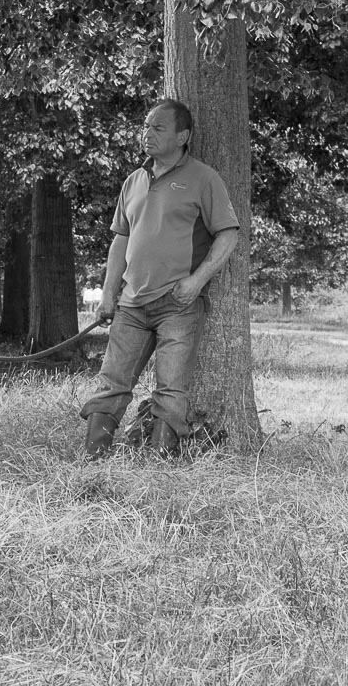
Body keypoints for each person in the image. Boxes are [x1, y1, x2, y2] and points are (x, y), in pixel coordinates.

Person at [81, 98, 240, 459]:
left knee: (170, 390)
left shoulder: (204, 179)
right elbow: (121, 240)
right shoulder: (134, 181)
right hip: (130, 304)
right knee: (111, 383)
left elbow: (228, 234)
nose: (147, 134)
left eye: (158, 128)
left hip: (178, 305)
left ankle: (161, 465)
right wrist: (108, 294)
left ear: (182, 136)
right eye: (146, 126)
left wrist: (196, 282)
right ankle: (93, 459)